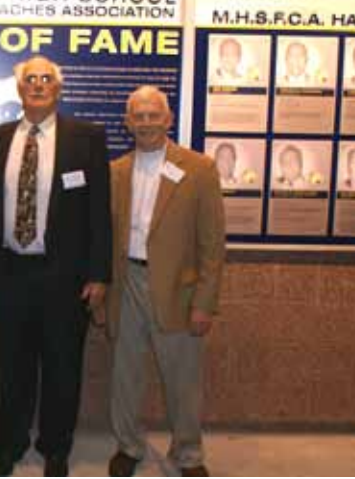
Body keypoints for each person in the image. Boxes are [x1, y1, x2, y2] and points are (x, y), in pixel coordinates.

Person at [0, 55, 111, 477]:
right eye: (30, 80)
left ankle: (56, 447)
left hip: (65, 277)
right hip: (11, 273)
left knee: (62, 366)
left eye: (46, 80)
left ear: (58, 89)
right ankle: (10, 443)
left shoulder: (86, 137)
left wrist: (98, 273)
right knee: (12, 367)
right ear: (20, 90)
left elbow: (99, 212)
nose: (37, 86)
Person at [94, 85, 225, 478]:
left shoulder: (200, 169)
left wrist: (205, 302)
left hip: (178, 291)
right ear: (127, 122)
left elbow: (212, 243)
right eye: (139, 116)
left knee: (182, 378)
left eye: (154, 115)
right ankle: (128, 446)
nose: (146, 122)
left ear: (168, 120)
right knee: (125, 375)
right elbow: (102, 237)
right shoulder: (115, 171)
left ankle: (188, 453)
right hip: (126, 283)